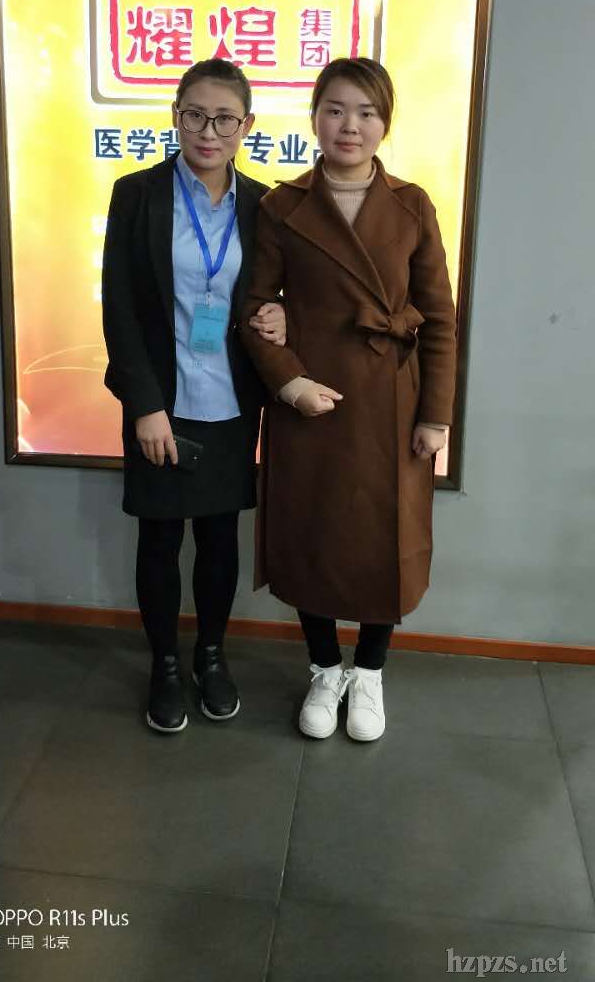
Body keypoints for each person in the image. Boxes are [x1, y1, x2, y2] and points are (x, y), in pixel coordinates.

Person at [240, 57, 457, 742]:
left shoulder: (413, 204)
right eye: (335, 109)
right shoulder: (282, 207)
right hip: (313, 399)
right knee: (313, 533)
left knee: (384, 539)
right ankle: (324, 667)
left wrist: (436, 415)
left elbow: (440, 319)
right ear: (314, 116)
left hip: (393, 399)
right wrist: (289, 381)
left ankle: (370, 672)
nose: (350, 125)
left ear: (385, 122)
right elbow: (254, 306)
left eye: (366, 112)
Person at [102, 58, 285, 734]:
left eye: (225, 119)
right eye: (195, 115)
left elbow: (274, 292)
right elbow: (119, 306)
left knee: (218, 538)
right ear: (176, 115)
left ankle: (211, 656)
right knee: (159, 536)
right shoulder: (138, 194)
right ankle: (165, 666)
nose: (209, 132)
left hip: (232, 401)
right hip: (162, 403)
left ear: (247, 126)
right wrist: (143, 405)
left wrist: (283, 314)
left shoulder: (264, 205)